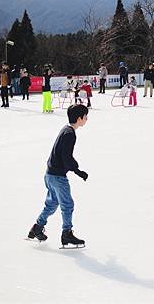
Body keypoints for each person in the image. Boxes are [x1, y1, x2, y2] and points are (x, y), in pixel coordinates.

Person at [27, 104, 89, 247]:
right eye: (85, 117)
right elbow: (66, 157)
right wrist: (78, 171)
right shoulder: (70, 134)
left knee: (52, 204)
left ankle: (37, 227)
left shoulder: (66, 129)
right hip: (58, 176)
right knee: (68, 205)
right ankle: (66, 234)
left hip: (50, 174)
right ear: (79, 118)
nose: (87, 119)